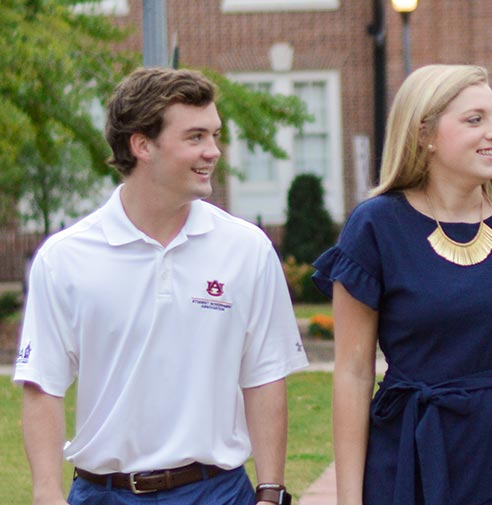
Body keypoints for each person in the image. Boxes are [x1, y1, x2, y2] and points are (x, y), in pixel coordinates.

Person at [311, 64, 492, 505]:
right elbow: (353, 373)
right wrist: (349, 500)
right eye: (475, 120)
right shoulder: (375, 227)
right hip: (412, 460)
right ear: (424, 134)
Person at [14, 67, 309, 505]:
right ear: (142, 144)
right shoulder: (65, 258)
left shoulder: (247, 250)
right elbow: (43, 385)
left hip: (219, 492)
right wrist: (46, 494)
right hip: (103, 494)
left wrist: (270, 491)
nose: (214, 151)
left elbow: (264, 376)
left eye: (214, 135)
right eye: (195, 137)